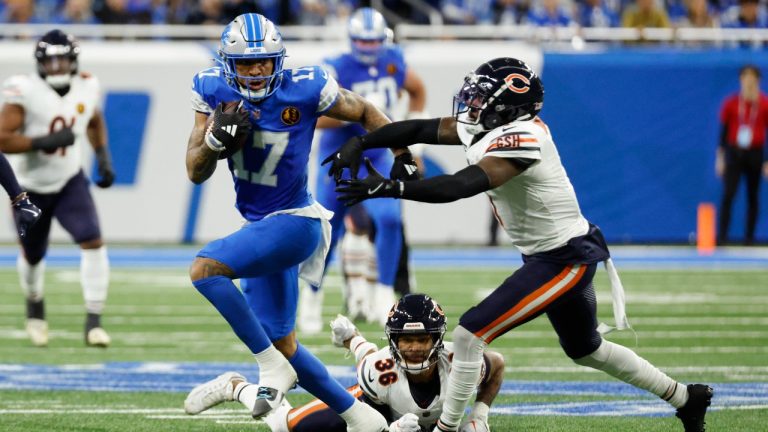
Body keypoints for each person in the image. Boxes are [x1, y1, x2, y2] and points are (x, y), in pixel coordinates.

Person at [324, 57, 714, 432]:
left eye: (481, 99)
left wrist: (392, 188)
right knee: (586, 349)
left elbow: (460, 185)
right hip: (550, 254)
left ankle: (447, 427)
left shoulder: (525, 138)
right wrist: (363, 141)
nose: (472, 105)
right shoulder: (486, 124)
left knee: (470, 333)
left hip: (564, 258)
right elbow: (420, 128)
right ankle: (686, 397)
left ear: (508, 109)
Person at [183, 13, 416, 431]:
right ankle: (360, 417)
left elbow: (364, 109)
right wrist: (213, 143)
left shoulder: (306, 86)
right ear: (228, 65)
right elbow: (195, 171)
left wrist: (402, 153)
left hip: (296, 221)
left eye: (264, 62)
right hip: (261, 226)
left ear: (279, 60)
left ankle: (267, 367)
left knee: (205, 269)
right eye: (246, 64)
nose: (257, 71)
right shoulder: (212, 89)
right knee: (284, 342)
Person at [186, 293, 505, 432]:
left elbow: (497, 364)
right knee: (284, 425)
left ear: (437, 339)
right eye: (405, 340)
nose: (414, 348)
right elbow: (370, 366)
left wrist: (479, 414)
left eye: (422, 339)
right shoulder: (379, 369)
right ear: (393, 341)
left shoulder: (462, 363)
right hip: (375, 408)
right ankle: (236, 387)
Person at [302, 6, 427, 330]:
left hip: (378, 155)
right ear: (351, 39)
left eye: (374, 41)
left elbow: (417, 90)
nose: (369, 47)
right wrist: (359, 112)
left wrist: (415, 145)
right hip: (340, 157)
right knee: (328, 230)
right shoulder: (335, 66)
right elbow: (316, 117)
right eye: (363, 41)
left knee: (390, 219)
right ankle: (311, 295)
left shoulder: (393, 60)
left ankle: (384, 295)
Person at [0, 29, 115, 348]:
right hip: (29, 187)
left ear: (73, 60)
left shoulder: (87, 85)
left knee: (92, 240)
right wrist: (44, 142)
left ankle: (94, 321)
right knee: (33, 255)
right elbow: (3, 139)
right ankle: (35, 306)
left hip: (68, 180)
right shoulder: (24, 89)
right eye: (49, 61)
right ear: (39, 62)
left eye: (62, 60)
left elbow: (93, 119)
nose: (56, 67)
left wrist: (103, 156)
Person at [716, 65, 768, 246]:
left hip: (755, 152)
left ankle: (749, 238)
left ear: (758, 81)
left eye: (753, 78)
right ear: (741, 80)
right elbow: (723, 133)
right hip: (735, 152)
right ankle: (722, 237)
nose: (749, 82)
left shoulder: (764, 104)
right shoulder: (731, 103)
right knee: (729, 194)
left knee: (753, 196)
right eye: (746, 78)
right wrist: (720, 158)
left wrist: (767, 161)